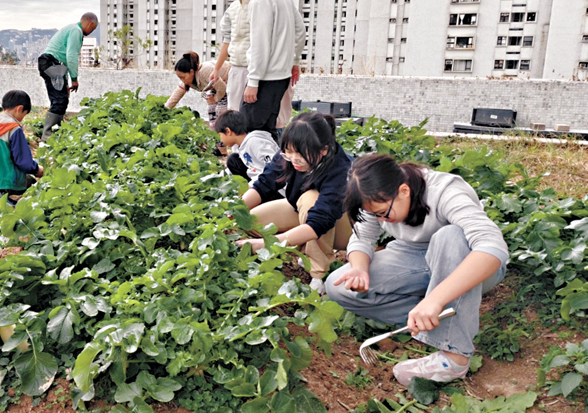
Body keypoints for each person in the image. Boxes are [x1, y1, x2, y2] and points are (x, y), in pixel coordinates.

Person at [325, 154, 507, 386]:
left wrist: (436, 299)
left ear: (404, 191)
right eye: (376, 215)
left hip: (466, 258)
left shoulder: (445, 191)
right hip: (413, 252)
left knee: (450, 236)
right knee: (338, 287)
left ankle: (455, 356)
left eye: (383, 213)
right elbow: (362, 239)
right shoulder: (376, 198)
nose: (382, 220)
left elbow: (492, 247)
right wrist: (360, 268)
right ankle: (451, 313)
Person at [236, 112, 353, 294]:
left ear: (324, 149)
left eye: (300, 154)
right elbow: (264, 184)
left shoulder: (340, 170)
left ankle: (319, 275)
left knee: (310, 198)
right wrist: (236, 210)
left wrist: (266, 244)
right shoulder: (290, 155)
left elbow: (318, 223)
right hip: (305, 213)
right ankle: (303, 247)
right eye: (289, 151)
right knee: (249, 220)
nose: (293, 159)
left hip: (344, 227)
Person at [218, 0, 305, 136]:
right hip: (281, 77)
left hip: (265, 77)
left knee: (248, 132)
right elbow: (300, 31)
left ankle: (254, 164)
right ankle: (271, 164)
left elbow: (259, 43)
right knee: (268, 131)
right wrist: (295, 60)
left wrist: (253, 82)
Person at [37, 12, 98, 140]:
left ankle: (54, 133)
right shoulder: (76, 31)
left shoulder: (72, 29)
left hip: (52, 64)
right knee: (59, 101)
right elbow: (71, 56)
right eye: (93, 29)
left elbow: (63, 61)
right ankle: (48, 138)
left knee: (61, 99)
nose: (91, 31)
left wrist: (65, 83)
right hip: (51, 63)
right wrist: (74, 79)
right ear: (90, 23)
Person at [164, 51, 231, 130]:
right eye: (180, 78)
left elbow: (222, 88)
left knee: (220, 113)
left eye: (183, 77)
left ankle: (224, 137)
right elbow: (175, 96)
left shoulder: (205, 71)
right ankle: (217, 136)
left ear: (191, 72)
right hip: (216, 87)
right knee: (212, 111)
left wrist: (215, 99)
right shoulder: (187, 80)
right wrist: (164, 110)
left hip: (230, 81)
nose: (182, 80)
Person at [215, 110, 278, 187]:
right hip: (259, 180)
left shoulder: (255, 142)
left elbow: (275, 166)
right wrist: (216, 178)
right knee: (233, 160)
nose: (220, 140)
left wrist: (252, 187)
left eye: (219, 135)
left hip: (274, 185)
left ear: (228, 131)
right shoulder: (242, 145)